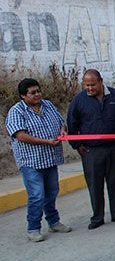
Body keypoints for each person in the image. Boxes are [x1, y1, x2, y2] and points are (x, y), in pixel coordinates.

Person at [6, 78, 72, 242]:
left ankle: (54, 221)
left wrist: (62, 131)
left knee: (52, 192)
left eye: (38, 91)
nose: (37, 95)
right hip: (31, 161)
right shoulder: (17, 111)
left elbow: (60, 122)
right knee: (37, 195)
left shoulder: (47, 105)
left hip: (50, 159)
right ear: (23, 96)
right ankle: (33, 228)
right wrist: (46, 141)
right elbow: (20, 135)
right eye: (32, 93)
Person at [67, 69, 115, 230]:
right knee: (95, 185)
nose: (89, 88)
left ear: (101, 81)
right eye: (86, 85)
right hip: (91, 151)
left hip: (114, 149)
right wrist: (77, 145)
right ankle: (97, 217)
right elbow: (72, 123)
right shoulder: (79, 100)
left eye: (92, 85)